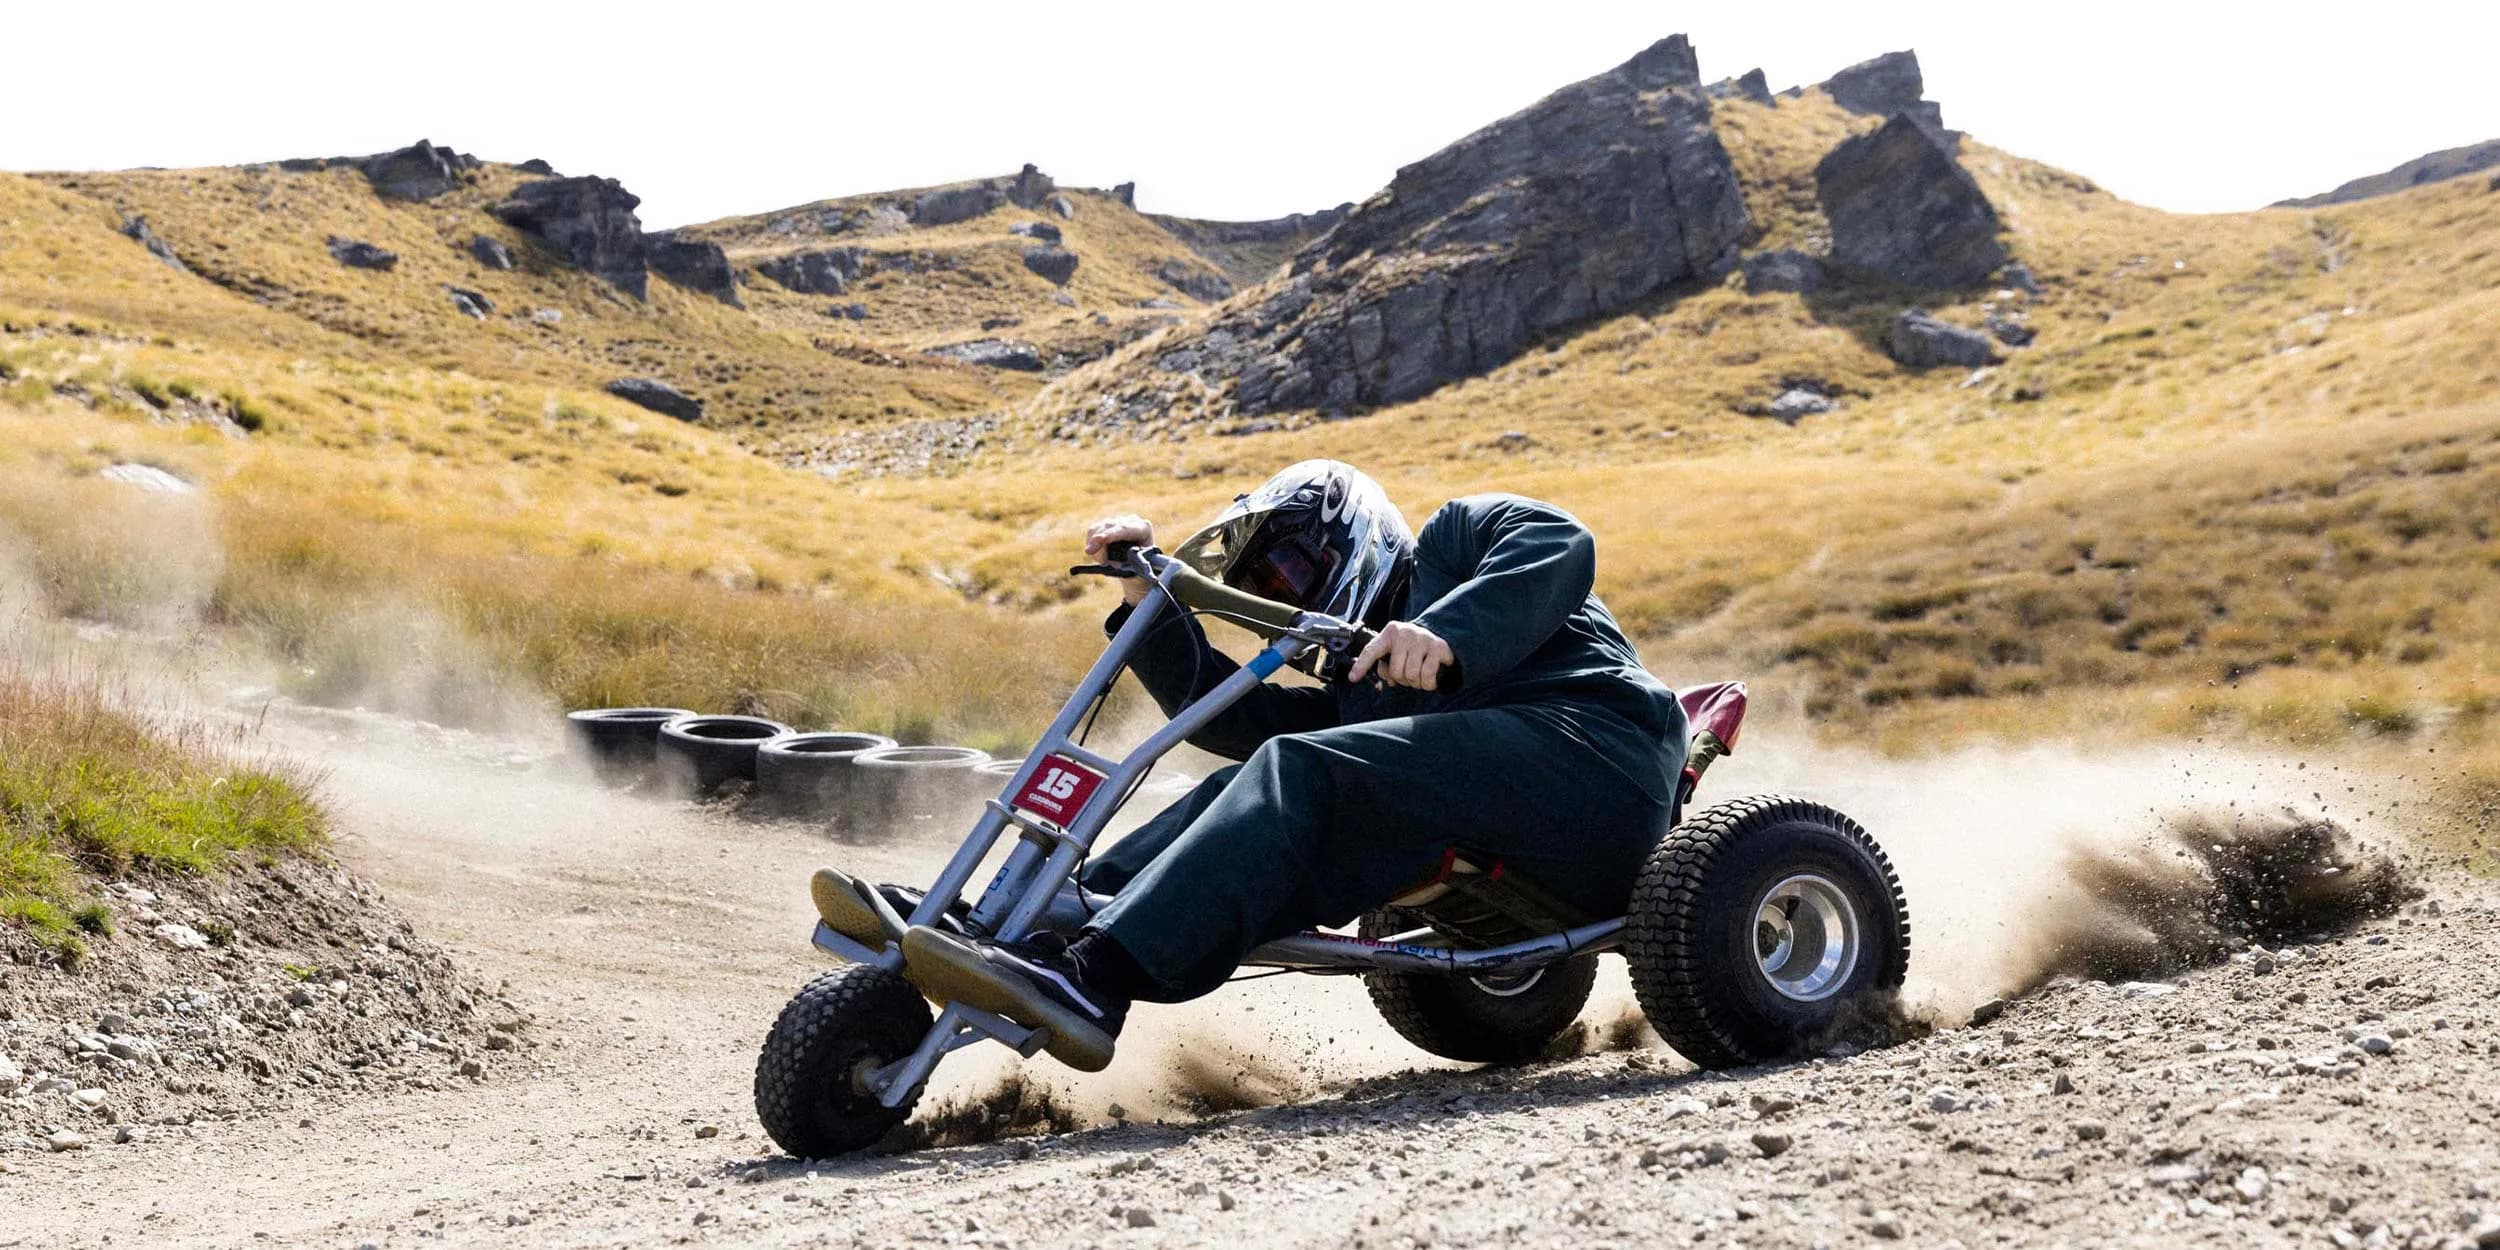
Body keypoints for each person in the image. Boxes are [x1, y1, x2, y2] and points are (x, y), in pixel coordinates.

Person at [873, 460, 1687, 1071]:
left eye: (1292, 569)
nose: (1284, 592)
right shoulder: (1360, 675)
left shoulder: (1458, 537)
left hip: (1597, 759)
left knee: (1302, 767)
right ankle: (1038, 924)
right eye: (1264, 584)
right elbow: (1245, 726)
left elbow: (1559, 544)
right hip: (1509, 820)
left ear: (1351, 533)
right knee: (1260, 772)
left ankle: (1097, 974)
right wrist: (1139, 604)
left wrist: (1448, 636)